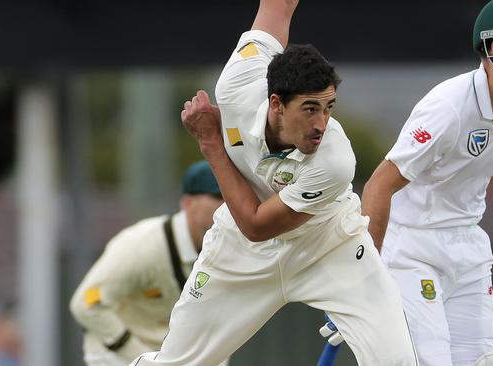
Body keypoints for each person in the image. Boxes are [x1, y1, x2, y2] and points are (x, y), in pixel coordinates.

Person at [131, 1, 417, 365]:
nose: (321, 123)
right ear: (277, 103)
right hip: (240, 250)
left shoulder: (335, 160)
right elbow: (277, 8)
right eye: (310, 108)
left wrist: (210, 144)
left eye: (329, 107)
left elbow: (258, 224)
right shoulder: (237, 83)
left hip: (329, 244)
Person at [361, 0, 493, 365]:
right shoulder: (449, 108)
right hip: (412, 248)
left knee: (483, 360)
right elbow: (379, 184)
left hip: (468, 247)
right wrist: (363, 275)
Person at [70, 161, 226, 366]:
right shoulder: (141, 245)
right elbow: (86, 304)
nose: (227, 205)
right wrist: (138, 357)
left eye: (229, 195)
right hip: (114, 357)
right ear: (188, 203)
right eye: (217, 197)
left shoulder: (226, 250)